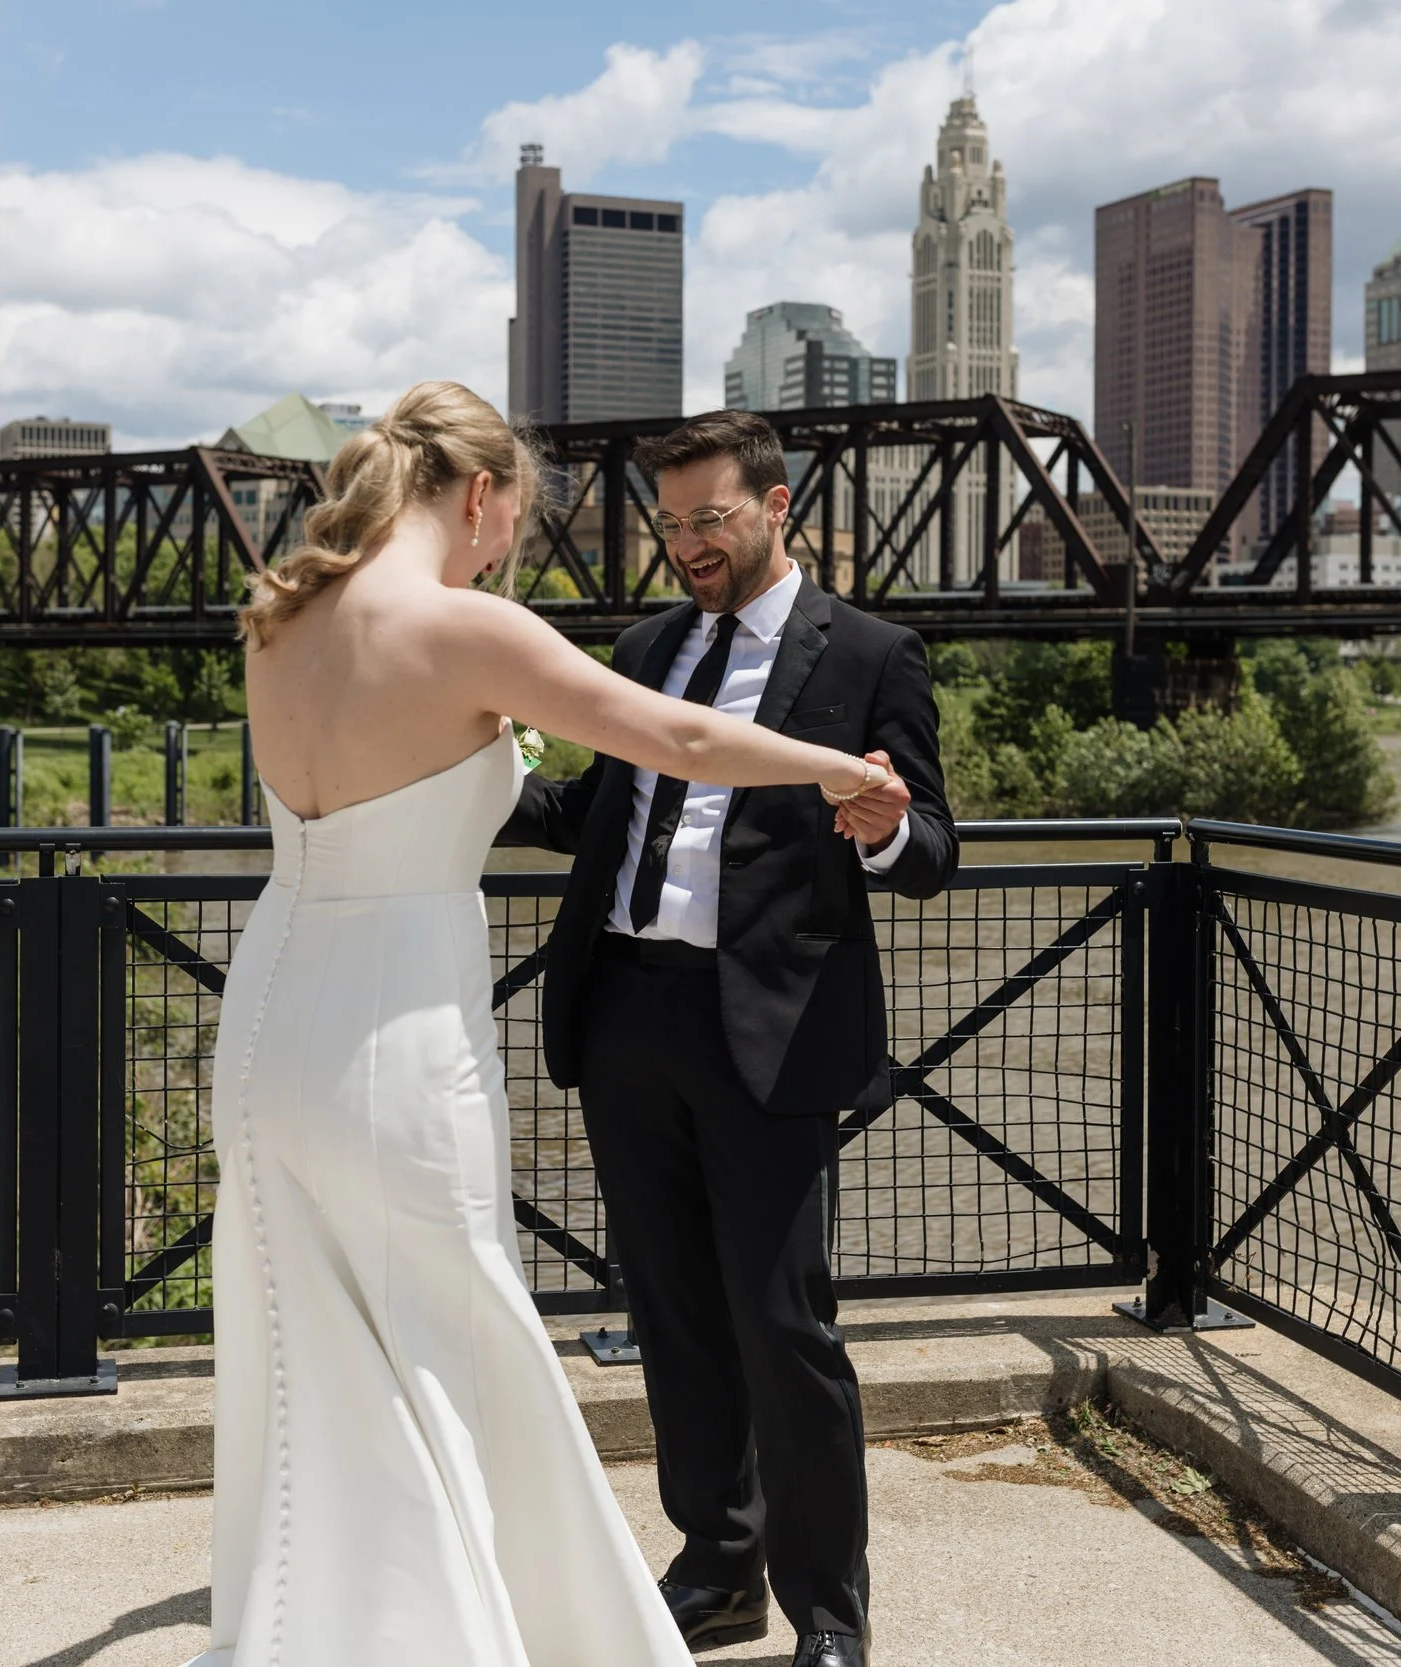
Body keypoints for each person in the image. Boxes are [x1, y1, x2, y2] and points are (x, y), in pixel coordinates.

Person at [193, 382, 901, 1667]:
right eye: (508, 524)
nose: (500, 552)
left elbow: (411, 785)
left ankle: (330, 1620)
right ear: (478, 492)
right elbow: (680, 741)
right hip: (396, 1030)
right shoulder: (468, 626)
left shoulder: (278, 617)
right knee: (458, 1326)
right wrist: (835, 767)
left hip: (268, 1024)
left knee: (311, 1345)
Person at [501, 410, 959, 1667]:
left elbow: (932, 849)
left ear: (776, 505)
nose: (687, 543)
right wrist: (465, 770)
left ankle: (829, 1612)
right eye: (671, 522)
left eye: (710, 517)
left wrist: (883, 826)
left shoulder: (870, 652)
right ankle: (717, 1566)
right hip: (625, 1012)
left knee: (781, 1323)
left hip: (769, 1027)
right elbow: (594, 813)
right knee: (674, 1313)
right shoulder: (645, 645)